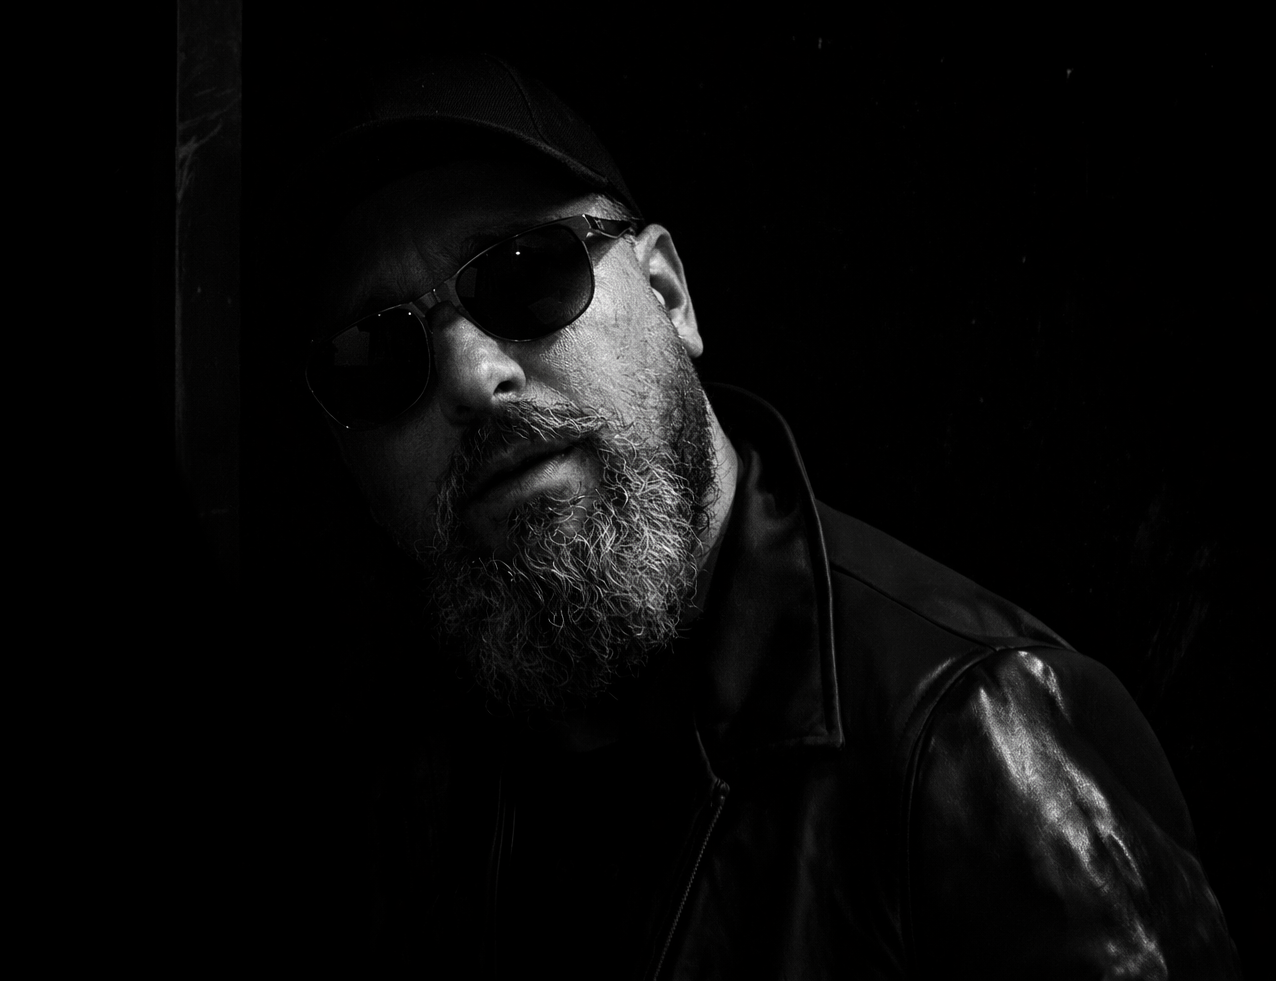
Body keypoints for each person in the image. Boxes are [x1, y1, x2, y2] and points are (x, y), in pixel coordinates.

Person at [296, 53, 1240, 979]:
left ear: (668, 295)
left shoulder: (976, 740)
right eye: (376, 358)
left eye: (523, 274)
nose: (472, 378)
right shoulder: (396, 798)